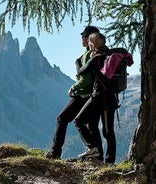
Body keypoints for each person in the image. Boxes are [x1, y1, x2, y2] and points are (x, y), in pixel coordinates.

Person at [45, 26, 103, 160]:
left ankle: (55, 153)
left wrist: (74, 87)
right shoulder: (96, 53)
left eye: (83, 36)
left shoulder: (89, 54)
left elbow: (87, 78)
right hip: (94, 94)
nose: (81, 39)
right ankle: (97, 155)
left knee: (62, 118)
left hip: (83, 94)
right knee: (92, 125)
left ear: (89, 38)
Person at [74, 32, 118, 163]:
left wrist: (78, 62)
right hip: (109, 98)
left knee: (79, 121)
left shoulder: (97, 57)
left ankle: (93, 149)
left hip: (100, 97)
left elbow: (81, 72)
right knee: (105, 129)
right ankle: (105, 159)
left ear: (92, 43)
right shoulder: (108, 54)